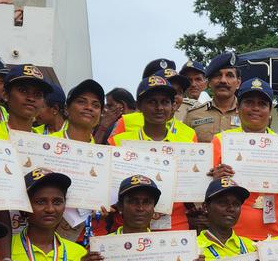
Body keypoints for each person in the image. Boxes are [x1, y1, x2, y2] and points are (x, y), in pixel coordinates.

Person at [209, 78, 278, 239]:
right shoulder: (221, 141)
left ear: (270, 109)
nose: (255, 108)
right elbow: (203, 190)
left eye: (262, 104)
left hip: (277, 234)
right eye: (249, 102)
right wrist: (214, 180)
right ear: (238, 107)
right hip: (232, 236)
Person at [108, 75, 198, 231]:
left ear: (173, 106)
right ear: (140, 106)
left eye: (165, 102)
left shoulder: (188, 140)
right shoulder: (119, 142)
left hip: (174, 225)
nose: (159, 108)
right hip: (128, 226)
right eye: (152, 102)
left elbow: (193, 184)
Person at [0, 64, 53, 141]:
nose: (31, 98)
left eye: (38, 94)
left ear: (43, 103)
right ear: (5, 95)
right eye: (23, 90)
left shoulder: (47, 145)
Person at [184, 51, 241, 143]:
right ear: (209, 82)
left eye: (229, 75)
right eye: (217, 75)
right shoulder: (192, 115)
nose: (223, 80)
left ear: (238, 83)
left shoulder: (249, 114)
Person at [196, 177, 258, 259]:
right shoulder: (193, 249)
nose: (231, 208)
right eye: (223, 203)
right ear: (205, 207)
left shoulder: (253, 248)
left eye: (236, 204)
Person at [52, 79, 105, 143]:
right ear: (66, 109)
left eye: (96, 105)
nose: (89, 107)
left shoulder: (100, 152)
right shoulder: (47, 143)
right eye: (81, 102)